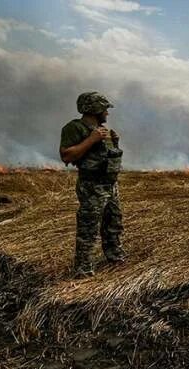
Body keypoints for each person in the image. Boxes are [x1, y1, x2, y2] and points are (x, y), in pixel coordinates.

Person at [59, 91, 126, 278]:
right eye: (104, 108)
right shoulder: (75, 128)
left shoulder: (102, 130)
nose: (107, 112)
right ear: (93, 108)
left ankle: (115, 257)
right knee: (88, 228)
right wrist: (91, 140)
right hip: (92, 186)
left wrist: (114, 142)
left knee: (113, 223)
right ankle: (83, 269)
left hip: (110, 185)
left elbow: (107, 157)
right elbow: (67, 156)